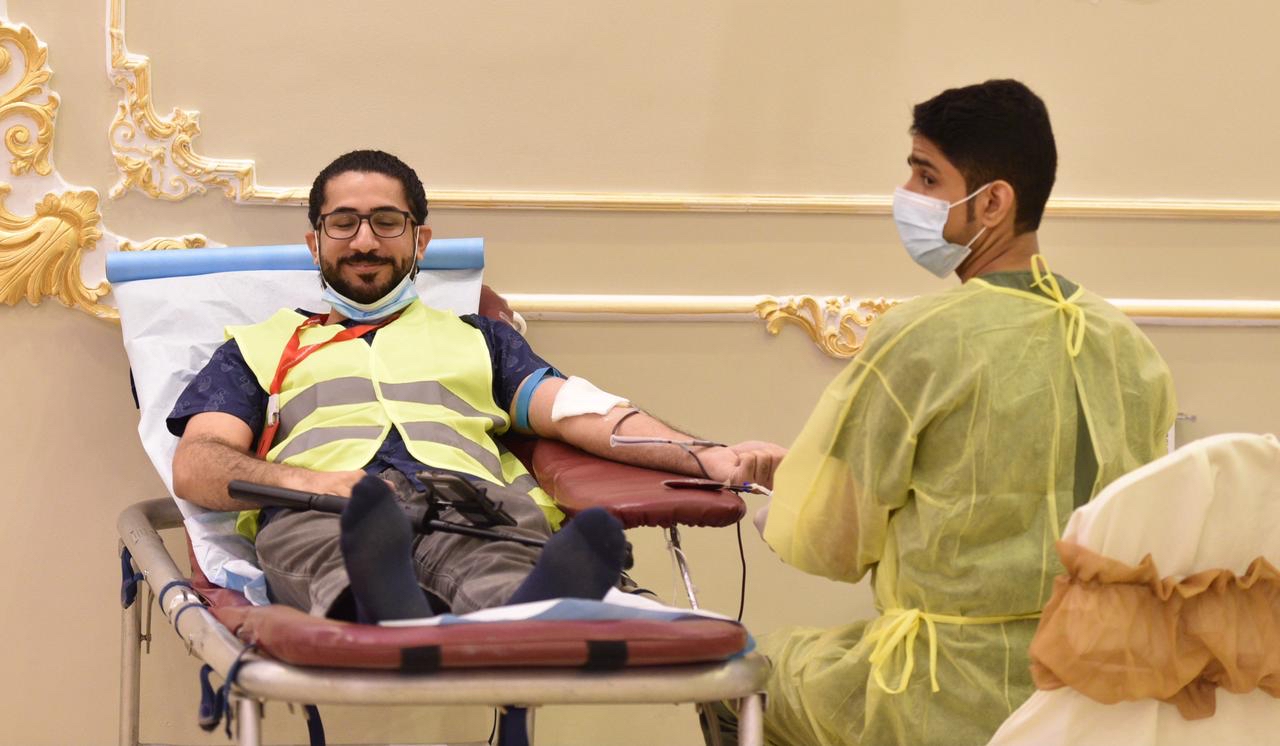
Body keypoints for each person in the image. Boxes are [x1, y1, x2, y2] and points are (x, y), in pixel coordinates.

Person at [708, 80, 1177, 745]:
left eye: (927, 177)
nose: (907, 195)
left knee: (742, 677)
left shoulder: (923, 338)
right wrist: (806, 475)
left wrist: (793, 495)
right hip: (1095, 694)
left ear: (993, 202)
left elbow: (831, 542)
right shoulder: (1126, 344)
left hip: (942, 695)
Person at [169, 149, 786, 624]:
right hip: (326, 514)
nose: (365, 241)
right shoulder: (255, 348)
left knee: (500, 572)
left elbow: (585, 414)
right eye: (344, 223)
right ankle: (390, 604)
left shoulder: (482, 339)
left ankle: (531, 602)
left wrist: (711, 457)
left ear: (420, 240)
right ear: (315, 242)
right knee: (345, 563)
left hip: (471, 510)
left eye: (386, 222)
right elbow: (199, 464)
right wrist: (313, 485)